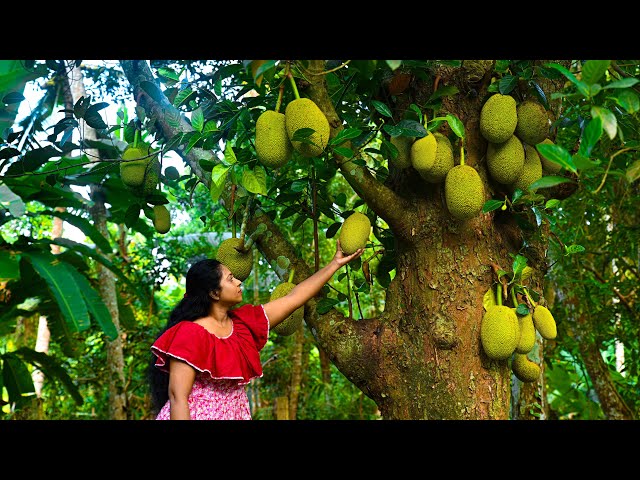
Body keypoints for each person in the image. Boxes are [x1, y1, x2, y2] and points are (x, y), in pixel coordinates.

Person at [147, 239, 364, 420]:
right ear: (214, 293)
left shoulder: (244, 324)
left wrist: (335, 263)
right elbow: (178, 397)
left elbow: (295, 297)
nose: (239, 281)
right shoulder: (188, 334)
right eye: (231, 279)